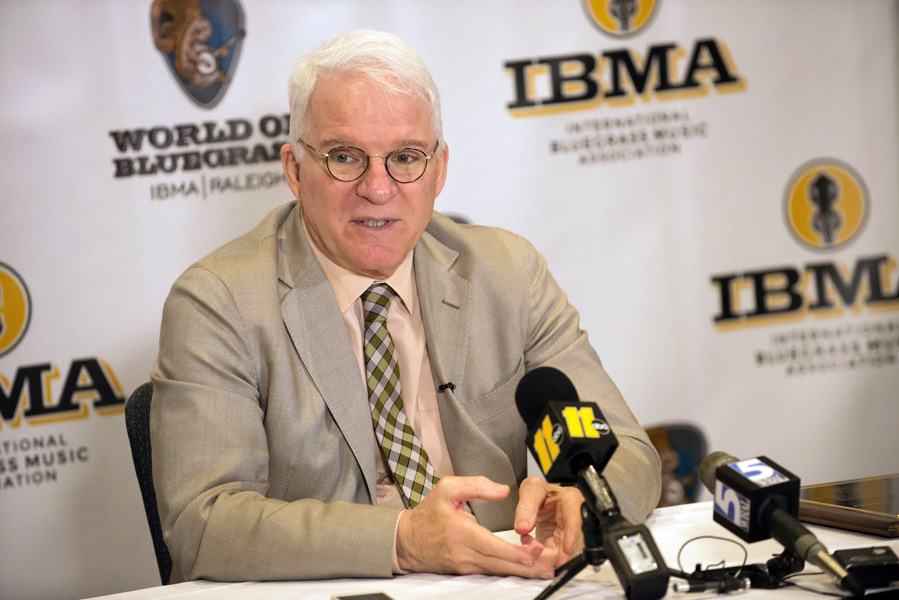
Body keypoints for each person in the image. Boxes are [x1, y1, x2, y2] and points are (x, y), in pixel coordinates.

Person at [150, 29, 661, 584]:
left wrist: (590, 500)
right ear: (294, 169)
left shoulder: (508, 273)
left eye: (406, 157)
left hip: (502, 582)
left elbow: (630, 452)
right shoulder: (218, 302)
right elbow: (203, 522)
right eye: (345, 157)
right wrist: (403, 540)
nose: (377, 187)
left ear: (439, 170)